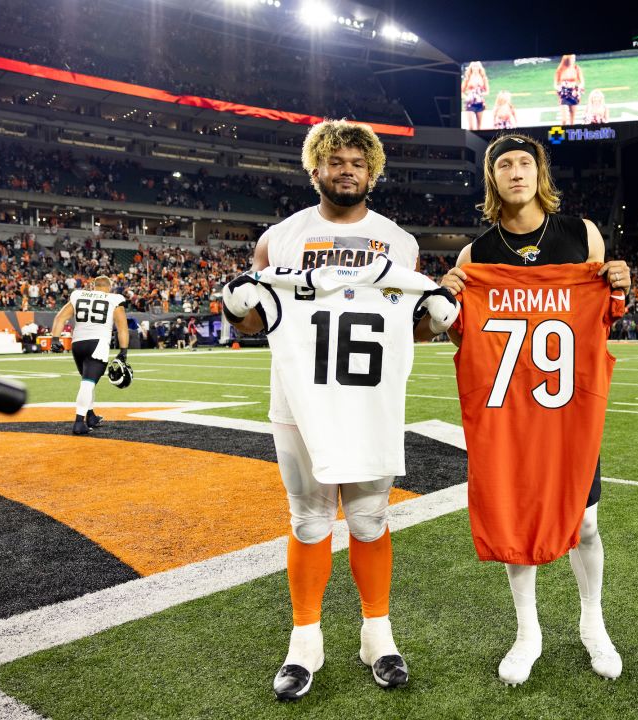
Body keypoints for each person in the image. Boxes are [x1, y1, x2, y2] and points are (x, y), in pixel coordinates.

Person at [226, 119, 450, 702]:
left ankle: (378, 634)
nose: (346, 170)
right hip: (300, 402)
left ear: (372, 173)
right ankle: (306, 640)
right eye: (335, 161)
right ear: (315, 169)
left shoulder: (400, 243)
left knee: (371, 520)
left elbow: (414, 327)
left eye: (357, 162)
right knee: (308, 521)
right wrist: (234, 308)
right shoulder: (280, 239)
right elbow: (254, 320)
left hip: (369, 401)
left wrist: (438, 316)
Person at [438, 133, 632, 685]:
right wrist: (449, 298)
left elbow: (601, 319)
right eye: (505, 165)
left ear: (540, 173)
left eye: (525, 162)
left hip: (566, 408)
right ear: (492, 179)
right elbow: (459, 340)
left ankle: (592, 621)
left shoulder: (582, 234)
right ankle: (528, 631)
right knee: (514, 520)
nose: (516, 172)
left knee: (587, 520)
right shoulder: (474, 256)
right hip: (508, 414)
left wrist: (617, 283)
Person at [50, 275, 129, 435]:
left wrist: (55, 339)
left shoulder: (79, 295)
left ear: (93, 286)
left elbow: (60, 318)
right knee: (88, 383)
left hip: (78, 344)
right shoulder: (114, 299)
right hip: (98, 344)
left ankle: (90, 415)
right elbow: (122, 328)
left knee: (88, 380)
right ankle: (79, 422)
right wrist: (123, 351)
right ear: (110, 286)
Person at [554, 54, 585, 126]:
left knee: (572, 120)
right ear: (567, 59)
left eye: (574, 58)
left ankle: (570, 135)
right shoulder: (560, 69)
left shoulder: (576, 68)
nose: (573, 60)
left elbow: (582, 82)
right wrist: (559, 88)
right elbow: (555, 84)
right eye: (572, 58)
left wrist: (577, 89)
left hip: (573, 93)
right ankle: (561, 135)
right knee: (564, 119)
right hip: (564, 94)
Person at [461, 61, 490, 131]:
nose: (475, 68)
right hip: (470, 104)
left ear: (479, 67)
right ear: (471, 67)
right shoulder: (467, 78)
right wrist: (466, 97)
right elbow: (461, 91)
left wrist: (480, 94)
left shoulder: (483, 78)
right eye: (473, 66)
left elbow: (487, 92)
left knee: (479, 127)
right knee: (471, 127)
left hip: (480, 103)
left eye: (476, 66)